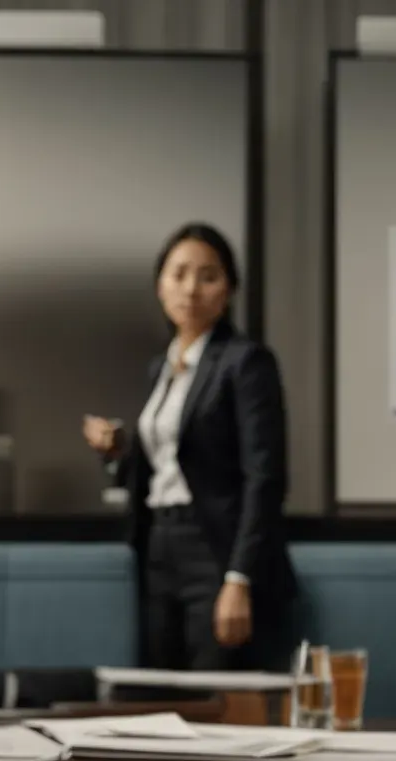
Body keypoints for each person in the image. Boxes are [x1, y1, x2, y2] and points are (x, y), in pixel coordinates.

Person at [82, 223, 297, 670]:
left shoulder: (245, 362)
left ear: (230, 288)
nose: (191, 289)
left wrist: (240, 578)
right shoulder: (160, 367)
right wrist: (116, 451)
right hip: (157, 546)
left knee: (213, 693)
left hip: (214, 549)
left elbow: (266, 476)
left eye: (208, 276)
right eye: (178, 274)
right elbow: (168, 466)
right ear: (160, 284)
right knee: (159, 689)